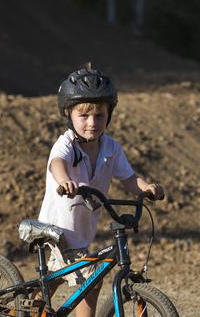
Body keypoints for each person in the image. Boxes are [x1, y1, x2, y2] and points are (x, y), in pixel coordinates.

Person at [38, 65, 165, 317]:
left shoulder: (110, 148)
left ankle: (32, 307)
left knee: (65, 281)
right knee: (87, 281)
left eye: (99, 115)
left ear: (109, 114)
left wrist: (146, 187)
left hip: (81, 234)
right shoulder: (67, 144)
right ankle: (29, 308)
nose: (92, 123)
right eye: (83, 116)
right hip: (56, 232)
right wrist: (65, 181)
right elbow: (56, 164)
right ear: (68, 114)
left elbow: (129, 178)